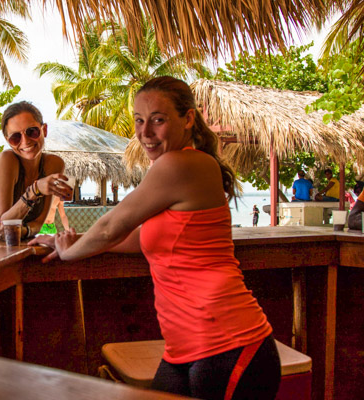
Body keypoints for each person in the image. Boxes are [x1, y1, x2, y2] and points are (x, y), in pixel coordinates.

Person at [30, 76, 280, 399]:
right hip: (182, 350)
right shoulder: (179, 168)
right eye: (139, 121)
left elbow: (111, 226)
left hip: (231, 346)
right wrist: (70, 239)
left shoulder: (180, 164)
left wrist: (68, 254)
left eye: (158, 120)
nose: (144, 133)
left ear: (188, 119)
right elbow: (138, 237)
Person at [0, 101, 72, 240]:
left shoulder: (54, 164)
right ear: (8, 141)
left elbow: (39, 223)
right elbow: (2, 229)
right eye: (16, 137)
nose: (25, 141)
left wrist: (23, 231)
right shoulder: (7, 161)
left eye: (32, 132)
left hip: (11, 248)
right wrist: (34, 190)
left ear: (44, 130)